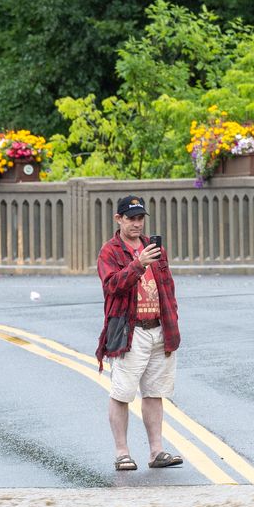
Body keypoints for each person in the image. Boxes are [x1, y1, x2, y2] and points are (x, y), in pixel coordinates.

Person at [95, 194, 183, 472]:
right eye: (131, 218)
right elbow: (112, 286)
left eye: (140, 218)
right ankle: (122, 452)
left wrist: (173, 326)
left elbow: (168, 288)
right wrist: (138, 264)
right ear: (118, 219)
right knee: (122, 393)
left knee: (155, 393)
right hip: (130, 332)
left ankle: (156, 451)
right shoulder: (110, 251)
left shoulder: (154, 248)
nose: (137, 224)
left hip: (159, 328)